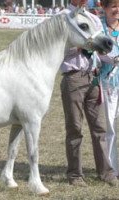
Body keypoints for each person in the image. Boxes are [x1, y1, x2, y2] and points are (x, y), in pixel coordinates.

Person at [60, 0, 118, 186]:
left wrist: (113, 58)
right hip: (74, 77)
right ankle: (75, 175)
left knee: (100, 128)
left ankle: (107, 173)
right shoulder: (61, 18)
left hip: (94, 77)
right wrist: (80, 46)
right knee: (75, 129)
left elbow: (100, 50)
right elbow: (56, 49)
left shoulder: (92, 18)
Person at [98, 0, 119, 178]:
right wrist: (112, 59)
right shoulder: (99, 28)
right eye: (113, 6)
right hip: (107, 83)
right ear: (104, 8)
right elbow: (97, 51)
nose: (117, 10)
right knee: (110, 126)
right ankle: (112, 168)